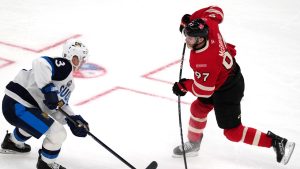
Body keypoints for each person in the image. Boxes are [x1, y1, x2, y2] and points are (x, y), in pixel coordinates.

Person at [172, 6, 295, 165]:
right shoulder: (209, 25)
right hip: (221, 77)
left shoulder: (204, 61)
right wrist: (193, 19)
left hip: (227, 89)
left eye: (190, 38)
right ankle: (194, 144)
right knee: (198, 109)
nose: (186, 40)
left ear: (201, 39)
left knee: (233, 133)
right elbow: (217, 11)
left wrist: (184, 86)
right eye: (186, 35)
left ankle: (278, 143)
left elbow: (204, 90)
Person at [1, 39, 90, 169]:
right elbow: (40, 62)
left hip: (21, 107)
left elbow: (57, 106)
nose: (80, 63)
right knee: (58, 133)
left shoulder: (69, 83)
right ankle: (46, 164)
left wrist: (73, 120)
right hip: (18, 106)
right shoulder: (65, 66)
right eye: (79, 59)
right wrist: (48, 89)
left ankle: (12, 142)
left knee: (37, 123)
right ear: (72, 56)